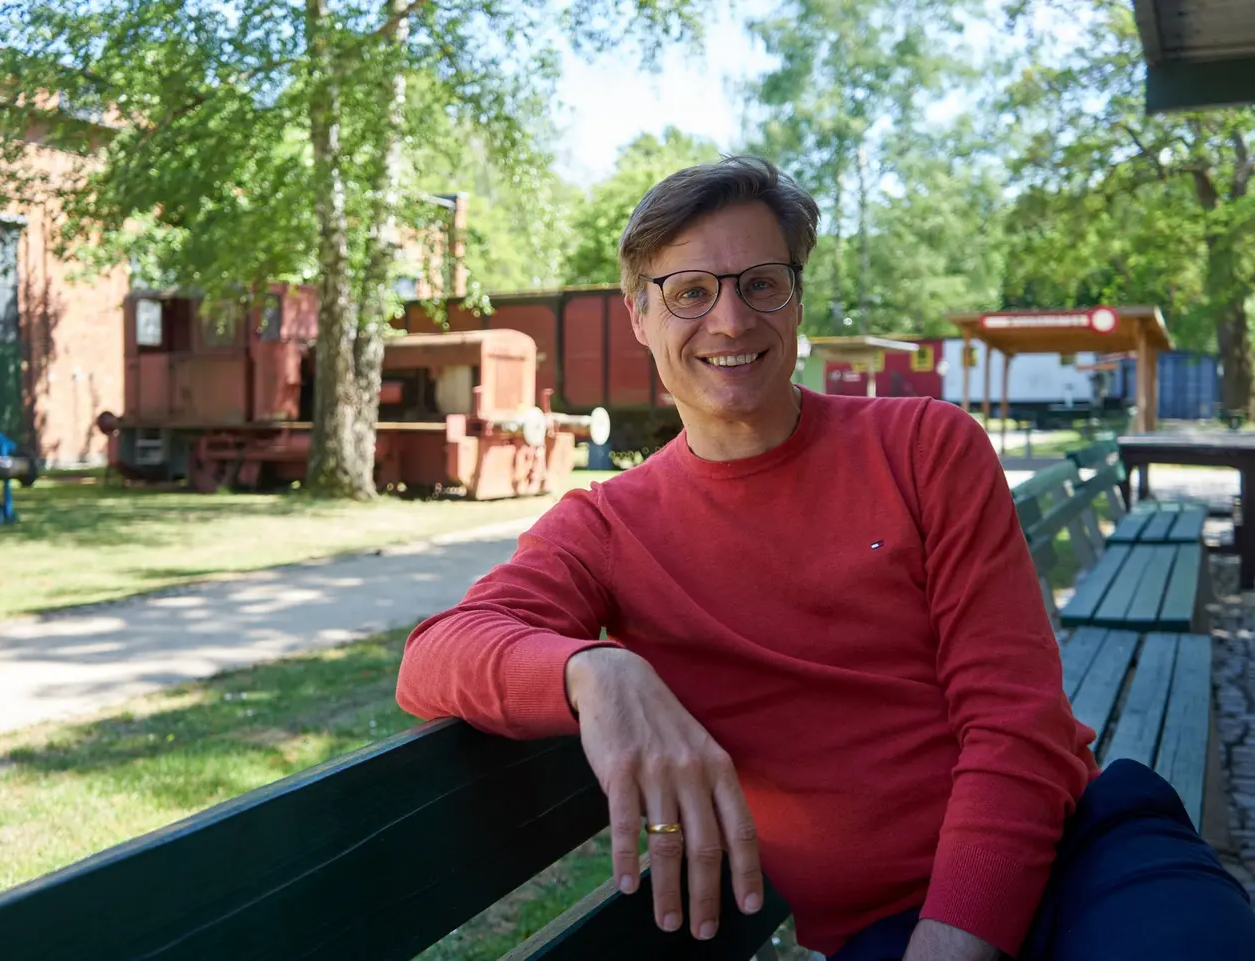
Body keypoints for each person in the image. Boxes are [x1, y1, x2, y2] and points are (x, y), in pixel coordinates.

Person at [393, 156, 1255, 960]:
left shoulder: (923, 445)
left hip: (1081, 852)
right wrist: (594, 672)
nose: (731, 319)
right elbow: (437, 654)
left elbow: (1015, 721)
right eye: (690, 291)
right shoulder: (609, 526)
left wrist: (955, 938)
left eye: (762, 284)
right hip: (880, 925)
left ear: (797, 301)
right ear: (641, 315)